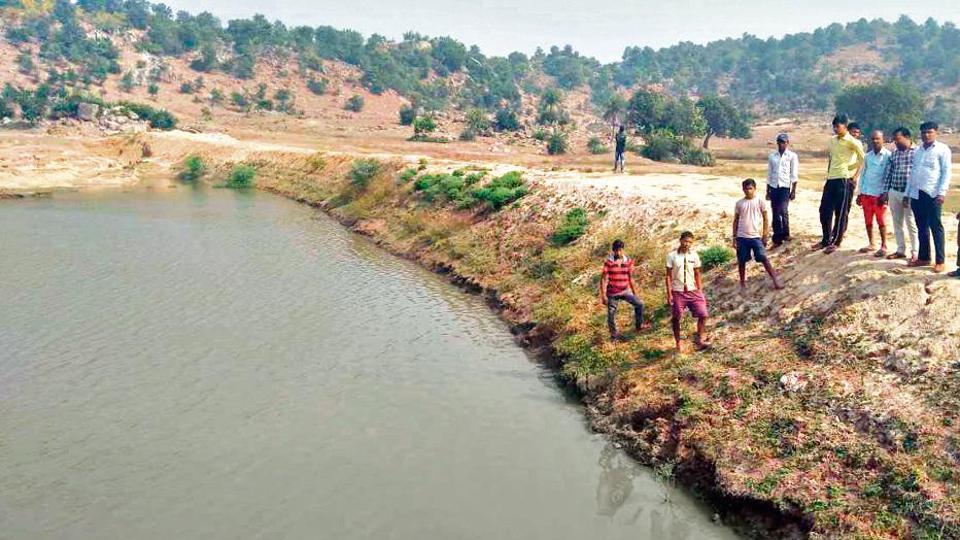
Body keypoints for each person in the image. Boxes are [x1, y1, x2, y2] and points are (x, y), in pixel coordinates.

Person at [813, 114, 865, 254]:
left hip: (844, 178)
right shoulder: (832, 141)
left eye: (838, 126)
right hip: (831, 178)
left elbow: (862, 159)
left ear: (845, 126)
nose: (836, 129)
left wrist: (850, 169)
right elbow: (832, 158)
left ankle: (837, 241)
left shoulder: (853, 141)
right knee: (824, 210)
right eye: (834, 126)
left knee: (841, 212)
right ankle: (825, 239)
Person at [904, 121, 952, 273]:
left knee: (936, 227)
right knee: (921, 227)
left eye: (929, 132)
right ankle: (924, 257)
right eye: (923, 132)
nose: (926, 135)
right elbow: (912, 174)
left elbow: (946, 172)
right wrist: (907, 193)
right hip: (917, 194)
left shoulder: (942, 149)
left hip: (933, 194)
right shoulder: (918, 151)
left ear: (936, 132)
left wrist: (942, 192)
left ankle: (940, 260)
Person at [734, 178, 784, 290]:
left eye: (750, 188)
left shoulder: (760, 202)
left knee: (763, 257)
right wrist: (734, 237)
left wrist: (765, 235)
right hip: (741, 237)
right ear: (743, 189)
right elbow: (736, 221)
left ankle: (775, 280)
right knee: (741, 260)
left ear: (755, 189)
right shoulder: (739, 203)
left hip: (755, 237)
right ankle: (742, 284)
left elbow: (766, 219)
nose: (748, 191)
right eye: (746, 189)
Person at [665, 231, 709, 353]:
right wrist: (669, 294)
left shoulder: (694, 256)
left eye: (690, 242)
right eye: (685, 241)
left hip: (693, 290)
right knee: (676, 317)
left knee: (703, 314)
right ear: (680, 240)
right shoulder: (672, 256)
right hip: (678, 291)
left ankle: (700, 339)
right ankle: (678, 342)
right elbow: (668, 276)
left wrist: (700, 291)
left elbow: (697, 273)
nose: (687, 244)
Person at [880, 127, 918, 262]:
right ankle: (900, 250)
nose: (895, 142)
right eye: (894, 140)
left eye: (898, 139)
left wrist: (910, 193)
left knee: (911, 223)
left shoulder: (917, 153)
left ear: (907, 137)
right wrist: (886, 191)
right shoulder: (894, 154)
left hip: (909, 194)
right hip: (894, 191)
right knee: (897, 223)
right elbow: (889, 173)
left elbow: (917, 176)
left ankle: (915, 252)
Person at [599, 239, 645, 339]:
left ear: (623, 250)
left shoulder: (628, 261)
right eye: (616, 250)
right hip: (612, 292)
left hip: (625, 290)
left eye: (620, 250)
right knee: (611, 314)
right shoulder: (608, 262)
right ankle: (614, 335)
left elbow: (630, 278)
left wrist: (635, 293)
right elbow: (603, 279)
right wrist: (603, 295)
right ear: (613, 250)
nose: (618, 252)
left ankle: (639, 325)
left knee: (640, 304)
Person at [856, 130, 891, 256]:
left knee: (881, 220)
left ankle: (884, 245)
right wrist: (859, 193)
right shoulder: (868, 156)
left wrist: (885, 193)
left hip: (879, 195)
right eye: (873, 139)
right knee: (868, 220)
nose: (875, 141)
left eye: (877, 139)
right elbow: (863, 175)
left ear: (883, 139)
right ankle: (871, 243)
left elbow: (889, 176)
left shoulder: (888, 156)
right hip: (866, 193)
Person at [766, 133, 799, 247]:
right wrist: (767, 191)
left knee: (783, 210)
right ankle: (777, 237)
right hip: (774, 187)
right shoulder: (772, 156)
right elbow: (769, 174)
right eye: (780, 142)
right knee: (775, 212)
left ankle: (786, 233)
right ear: (777, 143)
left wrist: (793, 190)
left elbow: (794, 174)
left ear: (787, 143)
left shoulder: (792, 156)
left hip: (785, 186)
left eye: (784, 142)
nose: (782, 144)